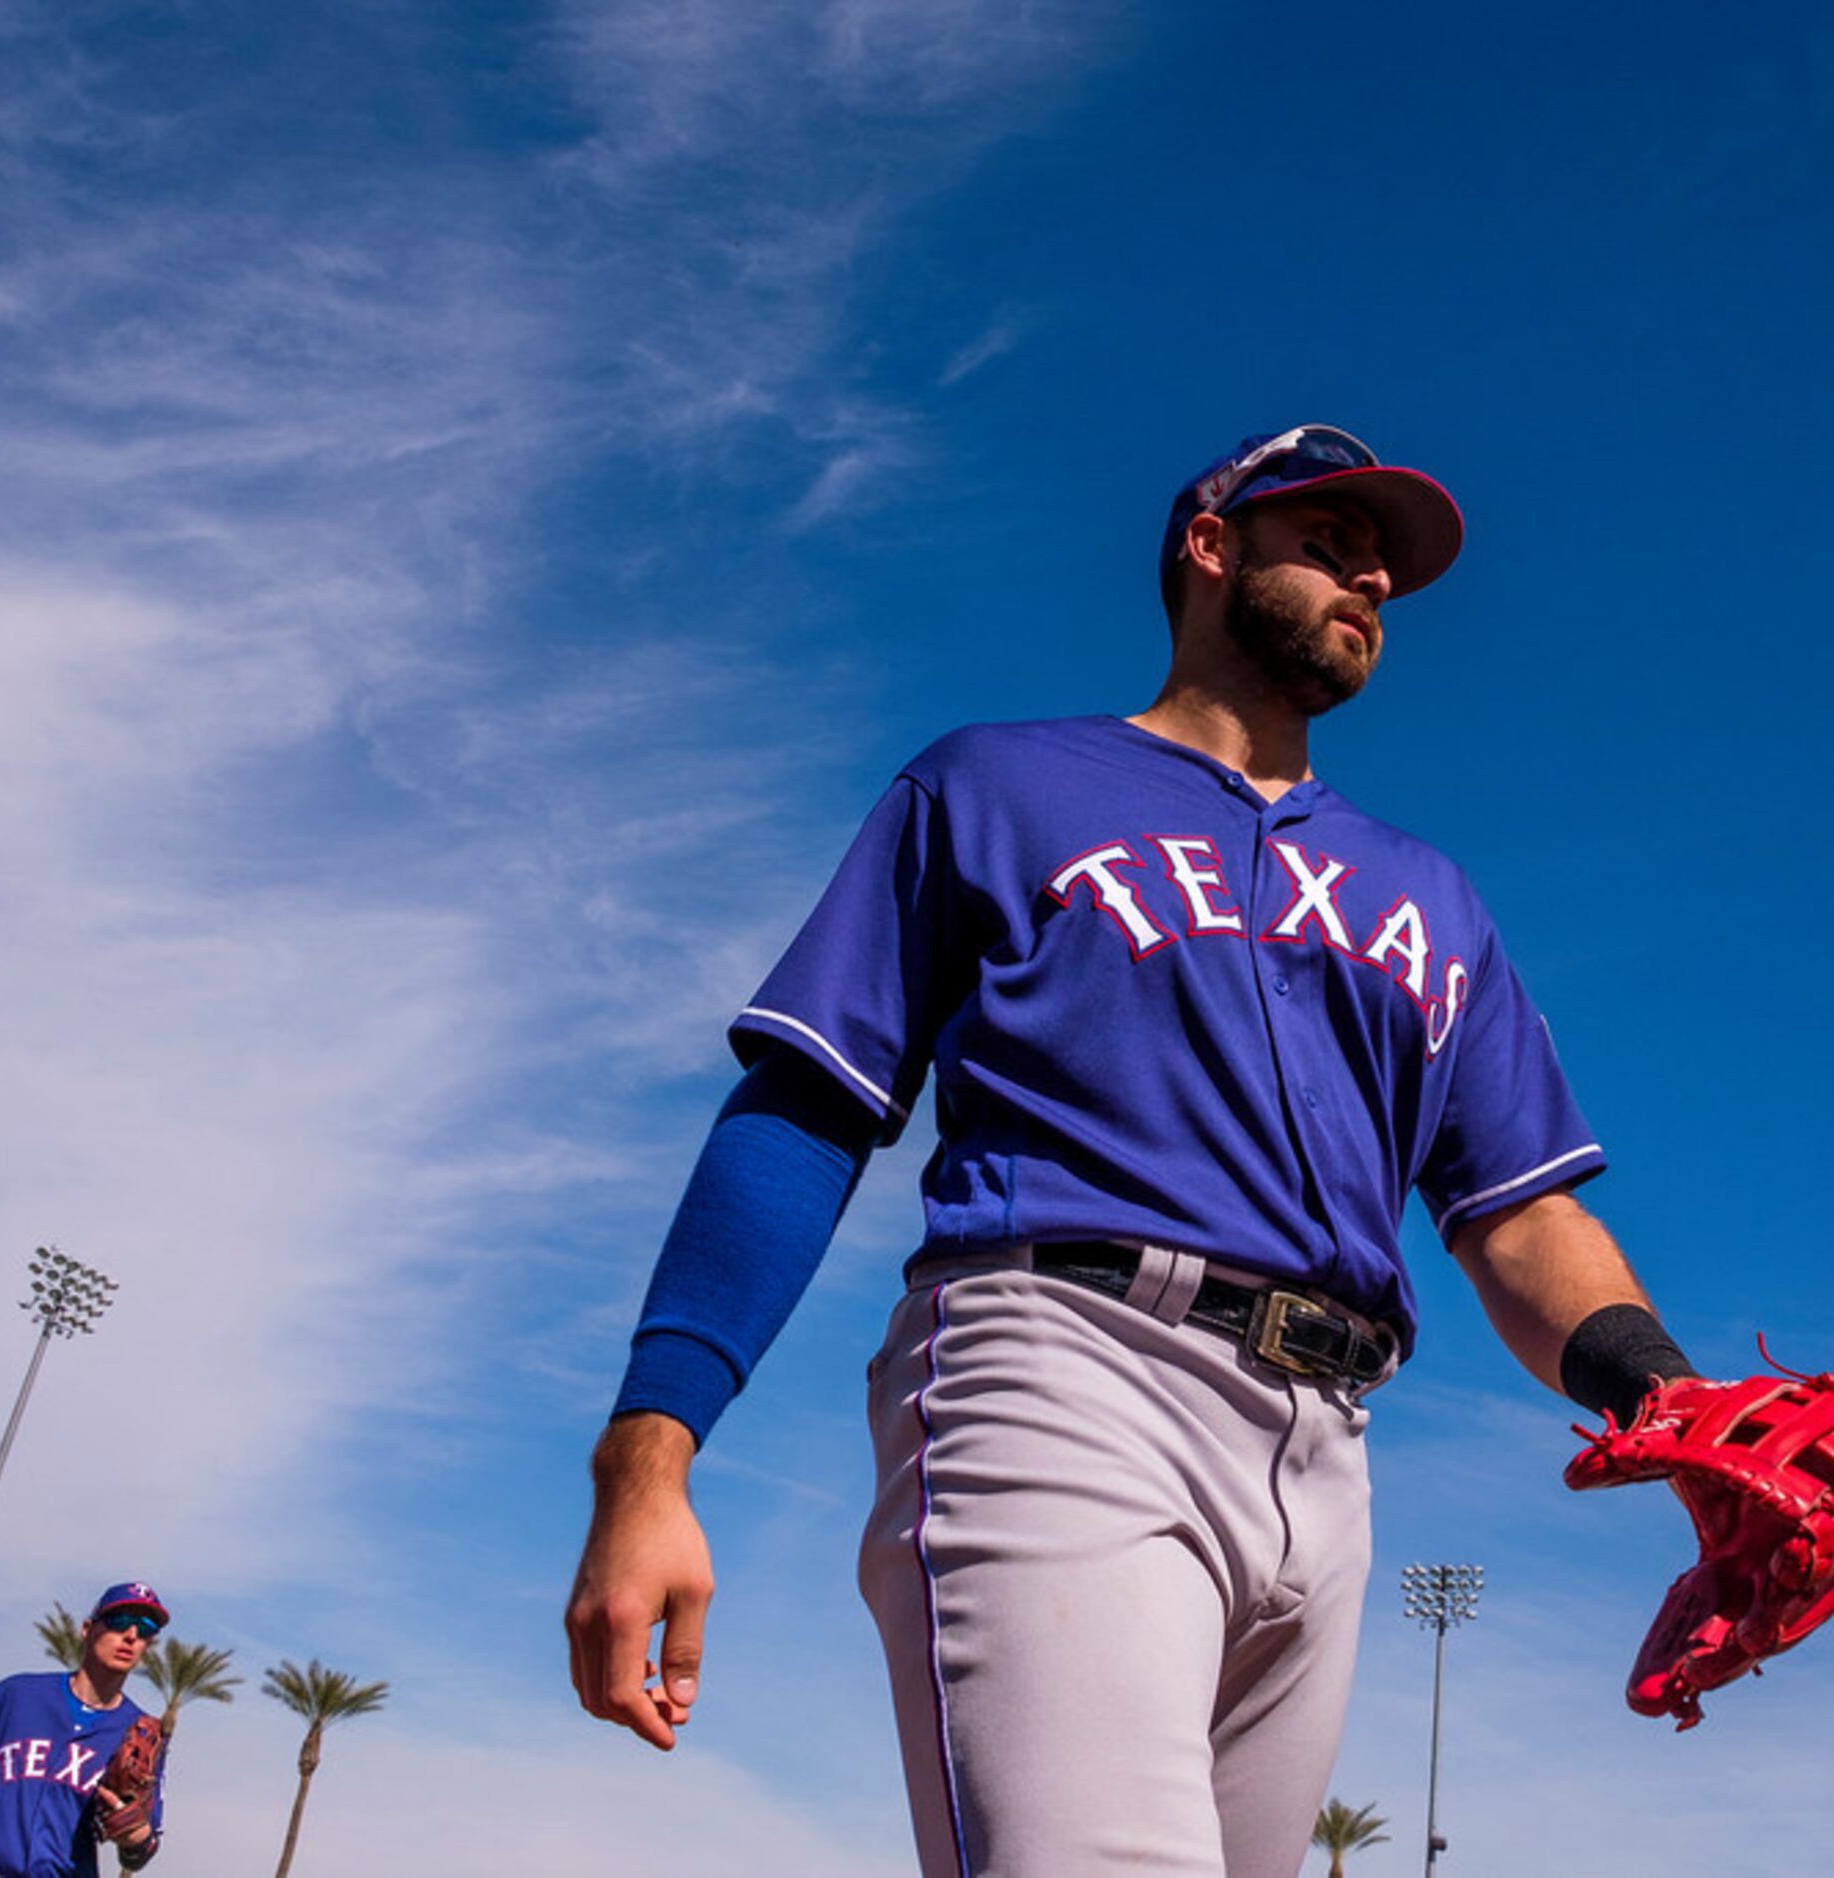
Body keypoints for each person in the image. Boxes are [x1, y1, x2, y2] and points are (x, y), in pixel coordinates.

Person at [564, 424, 1712, 1877]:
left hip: (1331, 1452)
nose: (1371, 570)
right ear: (1211, 543)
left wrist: (1671, 1396)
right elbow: (813, 1104)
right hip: (1063, 1371)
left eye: (1387, 559)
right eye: (1329, 535)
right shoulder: (993, 786)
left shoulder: (1429, 892)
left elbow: (1516, 1216)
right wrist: (647, 1459)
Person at [0, 1581, 169, 1876]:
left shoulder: (139, 1733)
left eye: (145, 1629)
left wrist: (134, 1837)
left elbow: (141, 1853)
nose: (130, 1635)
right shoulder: (16, 1695)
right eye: (120, 1621)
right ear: (87, 1629)